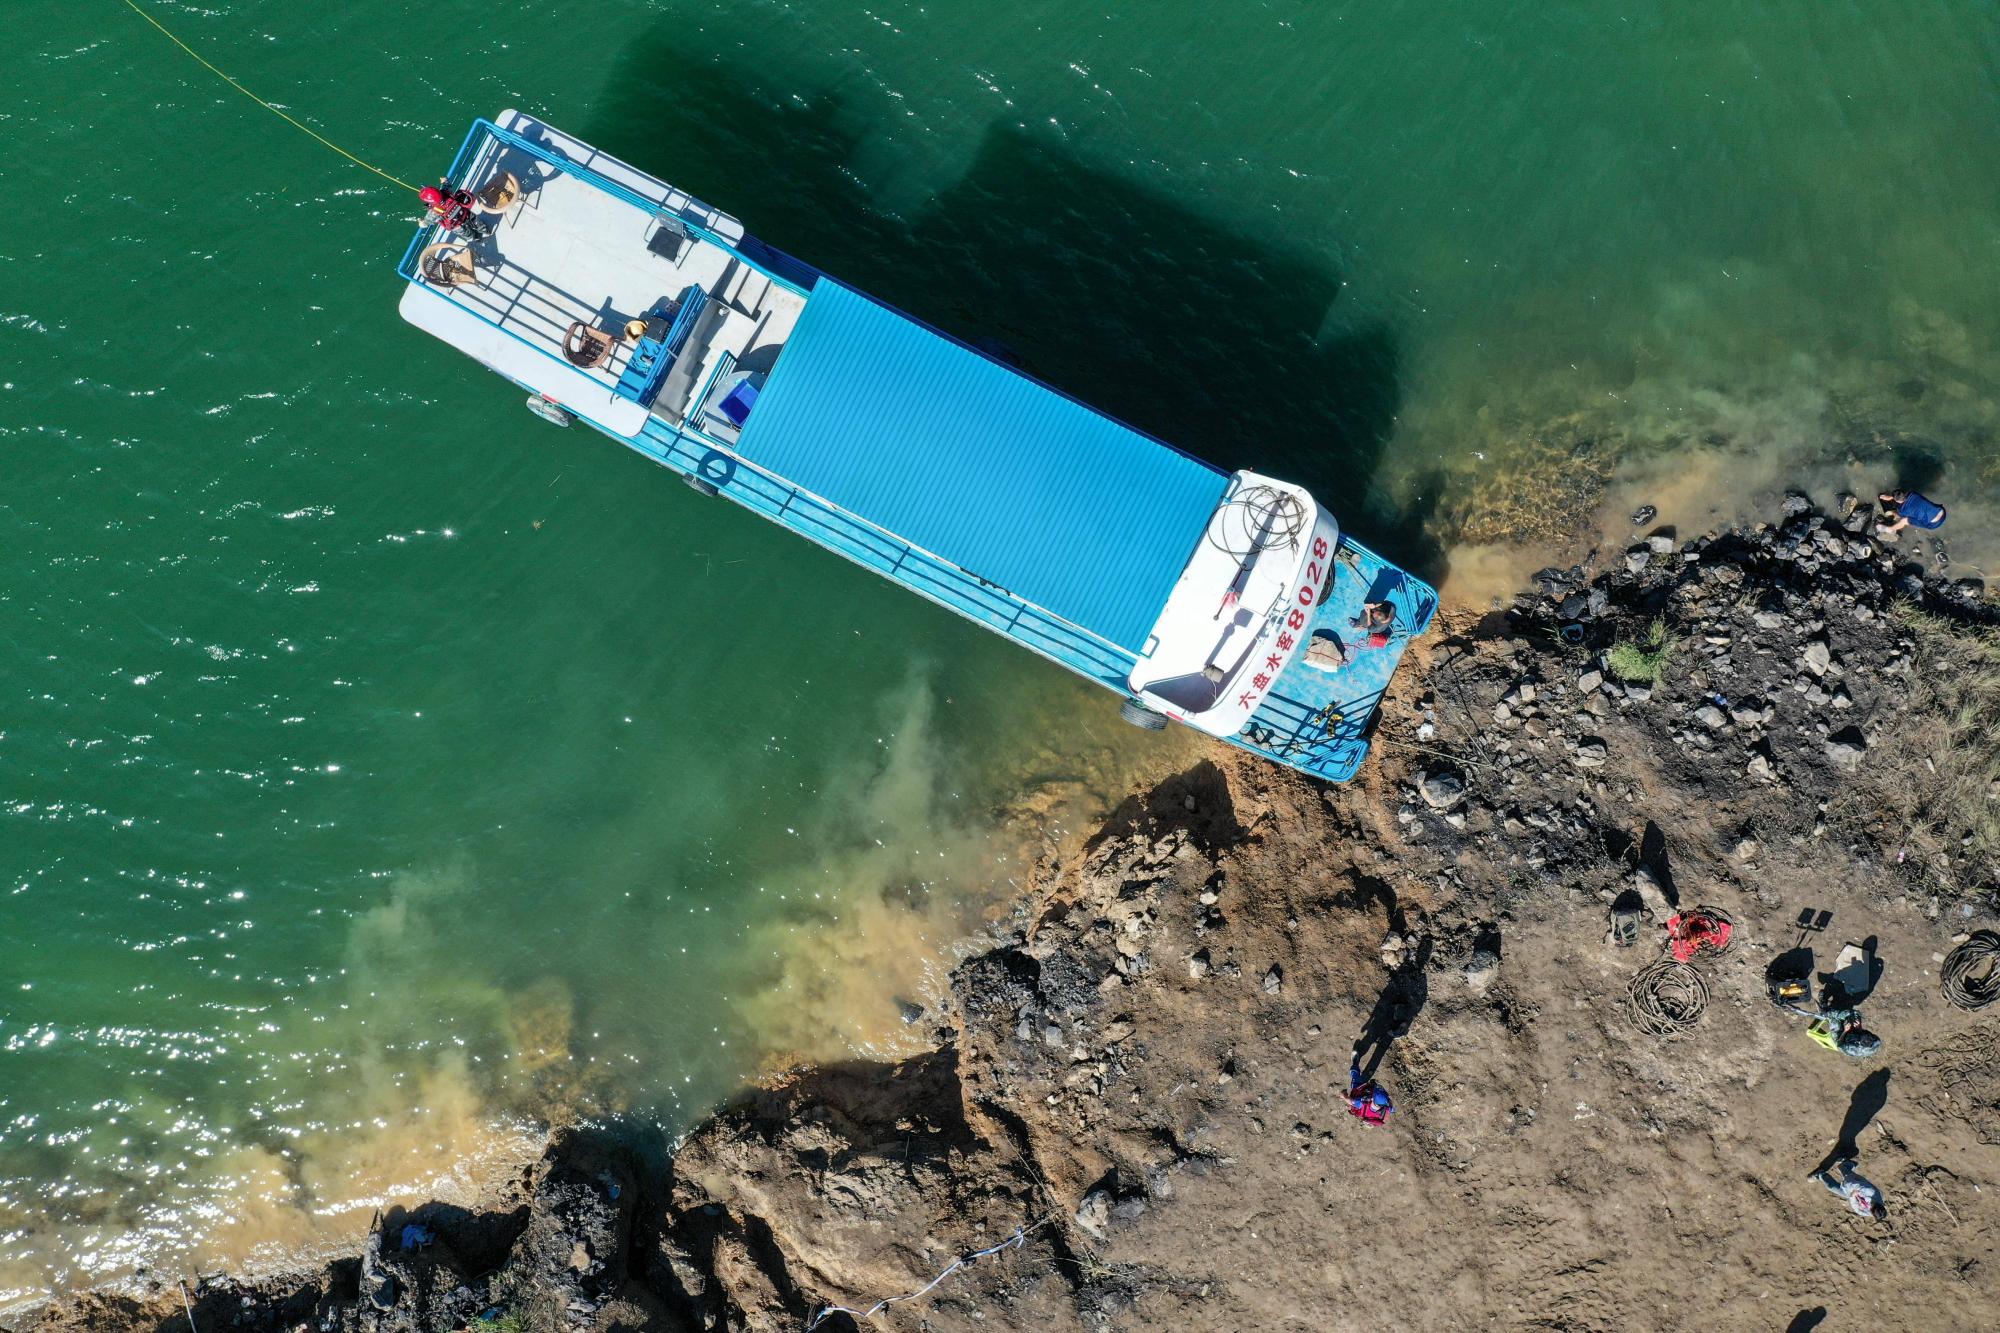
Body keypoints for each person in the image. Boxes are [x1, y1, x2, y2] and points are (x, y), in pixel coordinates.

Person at [1810, 1158, 1884, 1219]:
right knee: (1842, 1167)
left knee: (1831, 1186)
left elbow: (1858, 1210)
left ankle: (1820, 1174)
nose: (1869, 1211)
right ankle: (1849, 1164)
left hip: (1851, 1194)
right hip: (1854, 1182)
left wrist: (1852, 1197)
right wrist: (1846, 1184)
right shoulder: (1872, 1192)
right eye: (1871, 1209)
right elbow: (1854, 1184)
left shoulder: (1872, 1212)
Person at [420, 183, 490, 241]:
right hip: (464, 213)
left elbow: (425, 223)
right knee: (474, 219)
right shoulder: (445, 192)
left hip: (455, 224)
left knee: (464, 233)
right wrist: (444, 181)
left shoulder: (433, 212)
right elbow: (447, 184)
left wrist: (421, 222)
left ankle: (474, 238)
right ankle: (484, 230)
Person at [1876, 489, 1946, 542]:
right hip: (1941, 511)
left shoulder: (1902, 510)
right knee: (1923, 507)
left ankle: (1889, 529)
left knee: (1904, 520)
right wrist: (1890, 497)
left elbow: (1899, 514)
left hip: (1933, 524)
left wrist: (1892, 512)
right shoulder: (1913, 493)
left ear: (1897, 501)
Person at [1345, 1057, 1394, 1126]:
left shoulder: (1361, 1103)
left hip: (1359, 1089)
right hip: (1367, 1115)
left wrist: (1343, 1094)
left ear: (1372, 1098)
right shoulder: (1386, 1108)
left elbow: (1349, 1100)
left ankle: (1355, 1063)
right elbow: (1392, 1109)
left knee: (1355, 1078)